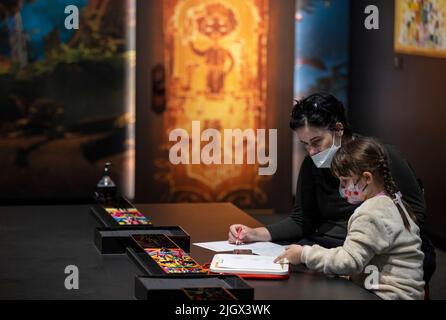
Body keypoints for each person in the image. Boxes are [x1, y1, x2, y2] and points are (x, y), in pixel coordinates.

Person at [228, 92, 436, 283]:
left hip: (381, 247)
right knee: (288, 262)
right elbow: (303, 219)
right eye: (305, 144)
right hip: (329, 244)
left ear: (338, 130)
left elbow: (415, 213)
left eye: (316, 142)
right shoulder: (312, 164)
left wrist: (363, 242)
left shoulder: (381, 156)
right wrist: (255, 234)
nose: (311, 151)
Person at [274, 137, 425, 300]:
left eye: (345, 181)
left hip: (386, 295)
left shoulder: (370, 213)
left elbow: (349, 261)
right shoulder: (396, 201)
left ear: (367, 178)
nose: (342, 188)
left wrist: (304, 254)